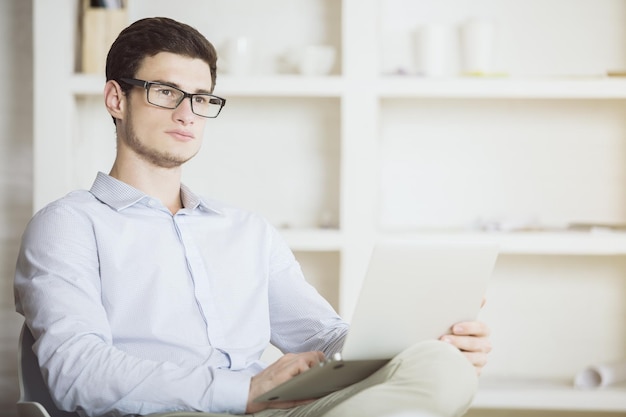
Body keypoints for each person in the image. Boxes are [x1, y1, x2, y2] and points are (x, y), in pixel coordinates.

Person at [14, 17, 492, 417]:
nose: (187, 114)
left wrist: (412, 339)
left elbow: (324, 339)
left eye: (201, 98)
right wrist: (245, 391)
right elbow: (77, 373)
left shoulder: (246, 230)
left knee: (439, 366)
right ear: (117, 99)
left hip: (274, 409)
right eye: (165, 92)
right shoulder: (69, 224)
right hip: (167, 411)